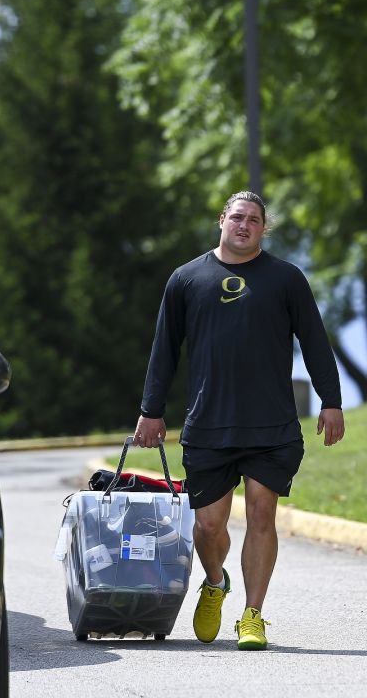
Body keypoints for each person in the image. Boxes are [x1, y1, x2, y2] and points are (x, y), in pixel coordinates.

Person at [132, 190, 345, 651]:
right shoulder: (186, 279)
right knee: (209, 526)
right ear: (221, 221)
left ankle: (253, 614)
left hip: (272, 424)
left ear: (264, 229)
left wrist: (331, 401)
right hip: (209, 424)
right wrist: (151, 410)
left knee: (262, 514)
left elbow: (314, 341)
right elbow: (164, 350)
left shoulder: (286, 279)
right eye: (236, 217)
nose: (244, 225)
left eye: (253, 219)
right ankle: (214, 582)